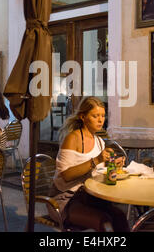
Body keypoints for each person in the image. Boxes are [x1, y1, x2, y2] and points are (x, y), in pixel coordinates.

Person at [48, 96, 130, 232]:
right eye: (95, 116)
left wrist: (113, 165)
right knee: (104, 222)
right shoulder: (73, 138)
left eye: (103, 116)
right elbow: (66, 175)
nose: (100, 120)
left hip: (89, 196)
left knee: (119, 216)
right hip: (65, 199)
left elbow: (98, 173)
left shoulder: (99, 142)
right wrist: (96, 160)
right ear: (83, 117)